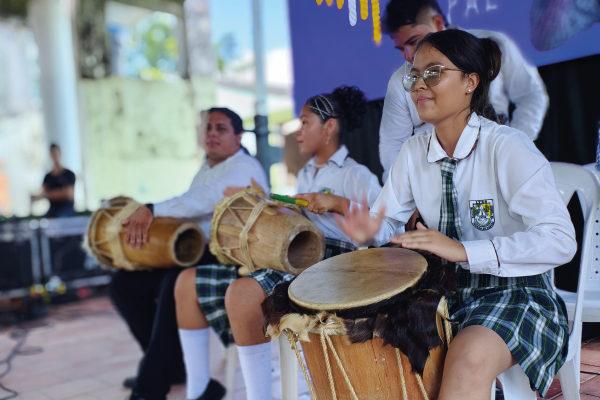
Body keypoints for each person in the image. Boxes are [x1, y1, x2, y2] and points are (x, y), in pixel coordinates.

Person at [336, 30, 576, 399]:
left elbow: (560, 240)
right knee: (368, 343)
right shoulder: (413, 152)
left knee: (468, 355)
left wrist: (464, 251)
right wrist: (370, 228)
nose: (418, 85)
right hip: (444, 294)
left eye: (433, 72)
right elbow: (385, 219)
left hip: (518, 294)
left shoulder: (507, 147)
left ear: (470, 81)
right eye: (413, 76)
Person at [174, 86, 382, 400]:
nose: (297, 132)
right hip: (301, 255)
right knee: (222, 289)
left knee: (243, 293)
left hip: (338, 264)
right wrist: (266, 199)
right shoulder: (306, 174)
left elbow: (383, 228)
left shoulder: (357, 176)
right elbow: (295, 204)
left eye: (304, 123)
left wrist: (338, 203)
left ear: (329, 127)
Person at [111, 108, 269, 400]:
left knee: (176, 281)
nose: (211, 133)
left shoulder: (244, 167)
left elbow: (204, 198)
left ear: (238, 136)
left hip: (234, 260)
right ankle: (167, 368)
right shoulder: (206, 168)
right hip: (201, 253)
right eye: (208, 127)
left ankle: (149, 389)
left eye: (220, 128)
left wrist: (152, 209)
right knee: (125, 284)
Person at [378, 0, 549, 182]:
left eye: (414, 41)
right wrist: (402, 191)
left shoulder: (491, 46)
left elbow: (530, 96)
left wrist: (515, 148)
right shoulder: (400, 81)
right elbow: (393, 143)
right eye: (400, 48)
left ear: (471, 81)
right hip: (435, 181)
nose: (408, 55)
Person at [36, 144, 76, 218]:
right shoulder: (47, 177)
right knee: (42, 223)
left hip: (66, 210)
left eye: (56, 152)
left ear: (60, 153)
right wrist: (60, 192)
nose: (54, 155)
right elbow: (41, 194)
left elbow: (68, 194)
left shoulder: (69, 174)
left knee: (60, 220)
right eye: (52, 153)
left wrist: (48, 194)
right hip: (52, 210)